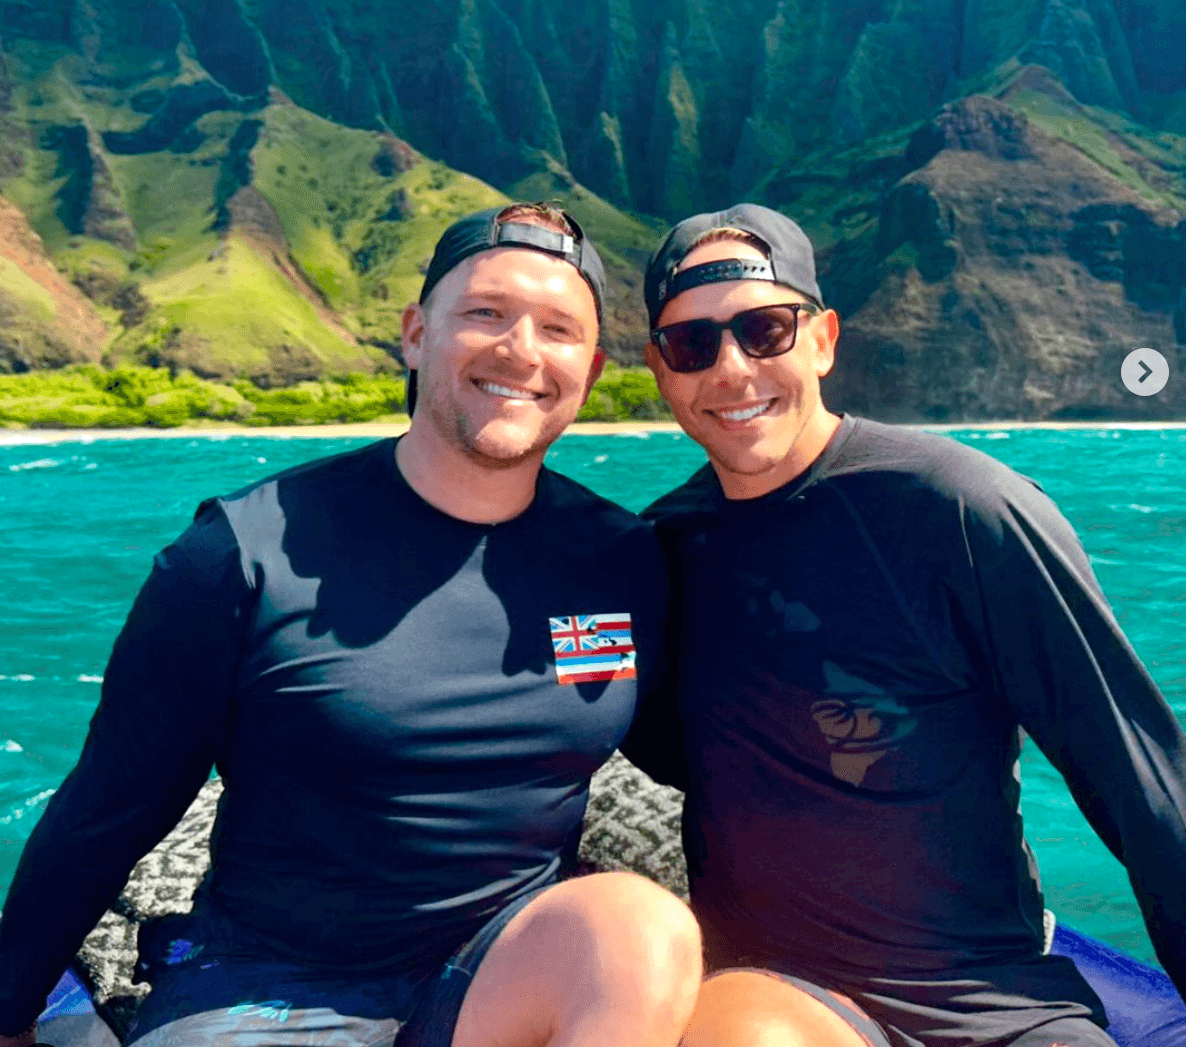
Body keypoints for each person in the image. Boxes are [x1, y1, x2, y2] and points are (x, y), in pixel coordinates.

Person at [0, 202, 702, 1047]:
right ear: (415, 334)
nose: (521, 350)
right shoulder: (244, 551)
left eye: (557, 329)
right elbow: (112, 804)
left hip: (493, 975)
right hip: (269, 986)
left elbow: (701, 749)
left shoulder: (623, 560)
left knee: (640, 928)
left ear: (589, 370)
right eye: (486, 313)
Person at [628, 201, 1186, 1047]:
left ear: (822, 339)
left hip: (994, 999)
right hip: (780, 999)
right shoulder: (664, 549)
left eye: (766, 330)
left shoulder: (962, 510)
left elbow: (1136, 780)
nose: (732, 370)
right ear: (660, 370)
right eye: (692, 344)